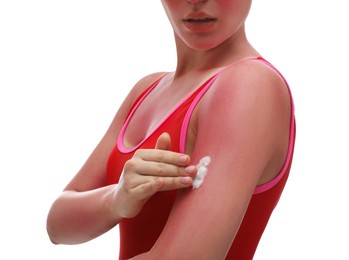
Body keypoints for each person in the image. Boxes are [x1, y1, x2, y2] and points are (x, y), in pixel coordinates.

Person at [46, 0, 296, 259]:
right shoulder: (145, 91)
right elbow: (57, 224)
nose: (196, 0)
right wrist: (118, 199)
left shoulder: (250, 85)